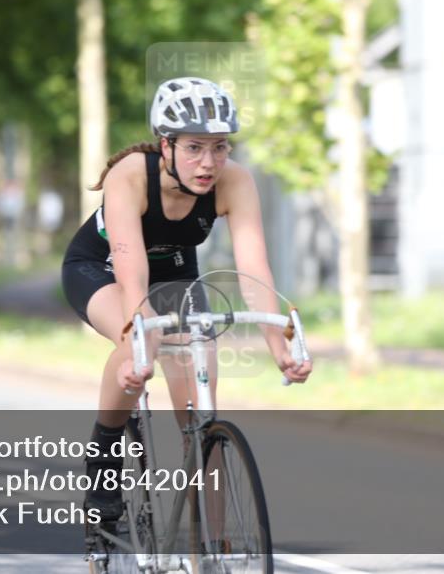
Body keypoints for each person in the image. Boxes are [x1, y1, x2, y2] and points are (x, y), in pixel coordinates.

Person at [61, 77, 313, 520]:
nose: (209, 162)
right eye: (195, 147)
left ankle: (212, 548)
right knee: (141, 341)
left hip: (177, 276)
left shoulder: (234, 181)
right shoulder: (130, 176)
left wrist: (279, 346)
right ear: (166, 145)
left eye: (220, 147)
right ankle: (103, 461)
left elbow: (253, 267)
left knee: (200, 410)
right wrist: (138, 347)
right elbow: (131, 272)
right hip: (102, 268)